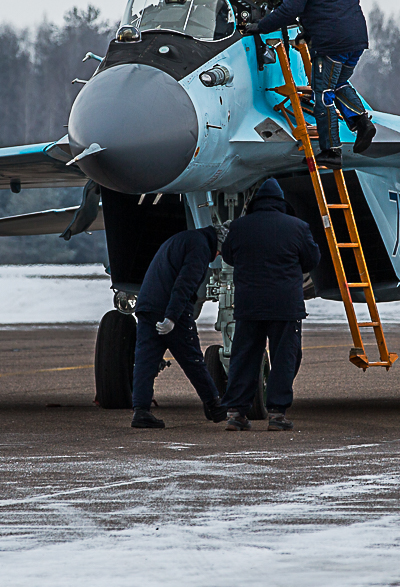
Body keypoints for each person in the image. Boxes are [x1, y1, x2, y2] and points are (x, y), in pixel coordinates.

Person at [246, 0, 377, 168]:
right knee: (338, 84)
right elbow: (329, 5)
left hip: (330, 44)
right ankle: (361, 122)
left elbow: (289, 10)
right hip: (356, 39)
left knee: (323, 94)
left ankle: (331, 151)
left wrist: (260, 26)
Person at [219, 178, 322, 431]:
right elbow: (312, 260)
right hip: (285, 306)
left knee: (244, 357)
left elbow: (229, 257)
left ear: (256, 203)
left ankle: (236, 413)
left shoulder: (239, 227)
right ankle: (277, 414)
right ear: (280, 202)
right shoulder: (298, 227)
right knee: (285, 357)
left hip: (249, 305)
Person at [130, 225, 229, 429]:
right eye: (220, 251)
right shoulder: (200, 247)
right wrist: (172, 317)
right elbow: (185, 283)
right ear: (218, 243)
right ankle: (215, 406)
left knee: (145, 362)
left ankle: (141, 411)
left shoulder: (184, 239)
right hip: (169, 307)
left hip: (148, 305)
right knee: (192, 358)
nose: (217, 255)